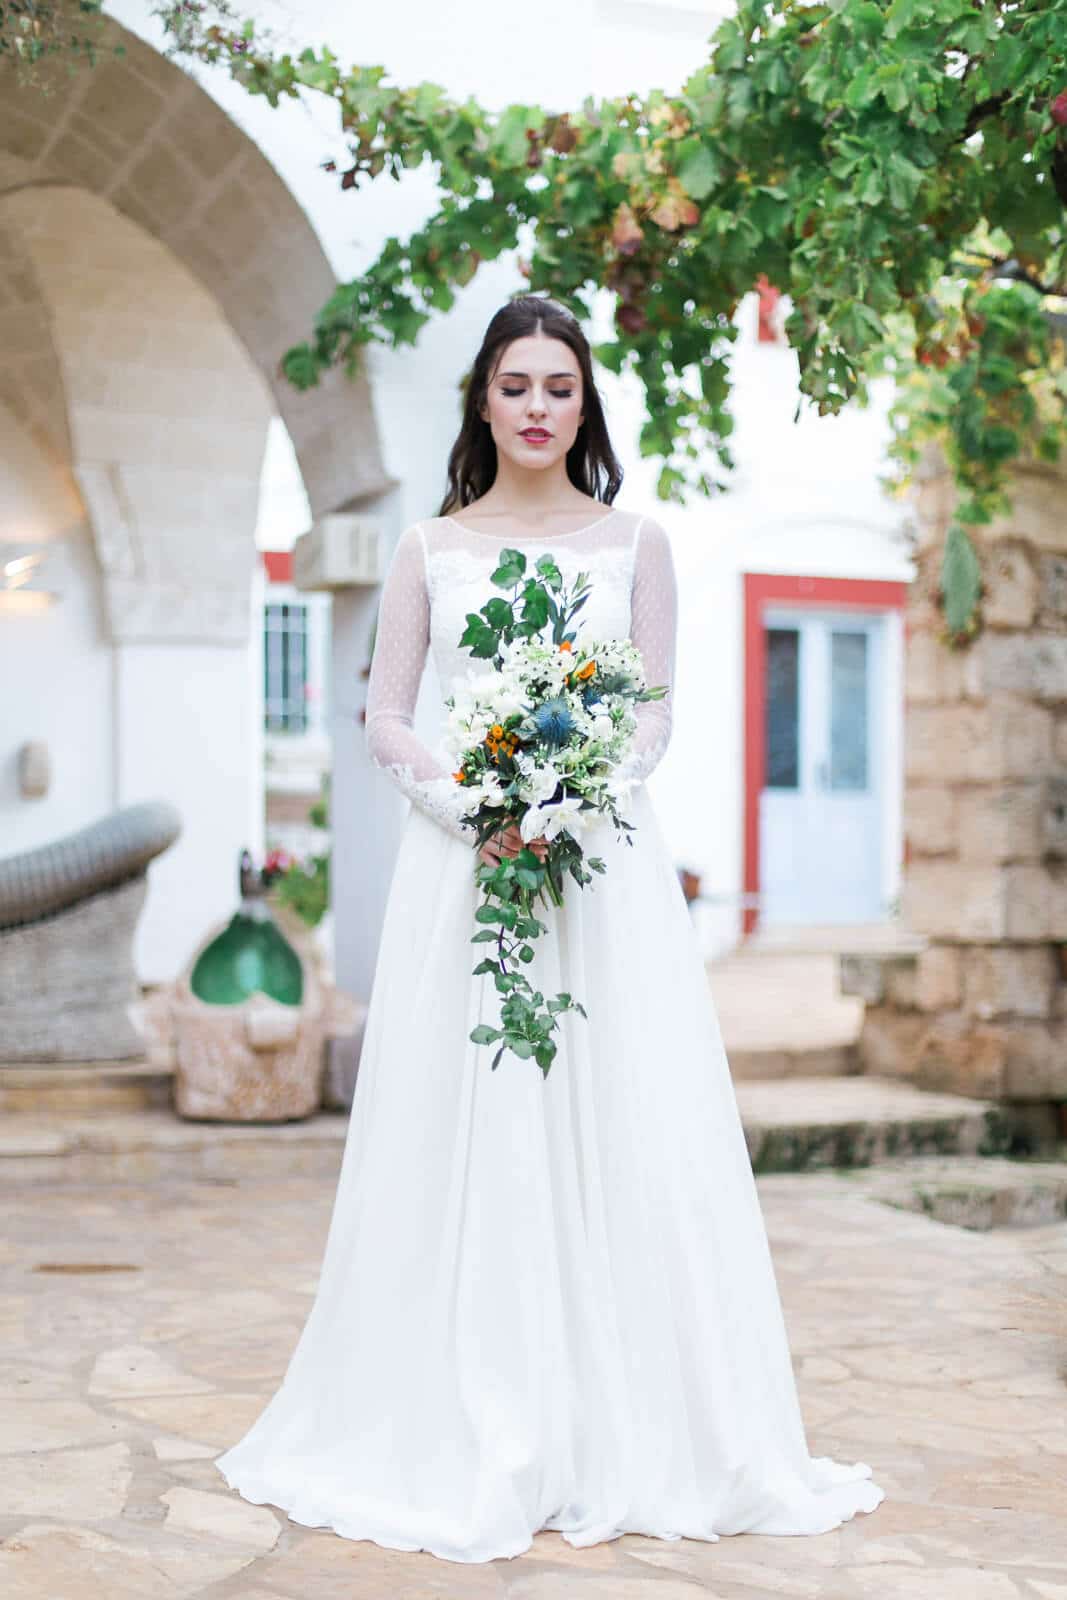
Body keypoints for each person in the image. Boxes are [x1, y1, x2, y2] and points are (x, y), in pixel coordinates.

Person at [215, 294, 885, 1562]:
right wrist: (476, 804)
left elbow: (649, 715)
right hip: (463, 877)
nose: (535, 406)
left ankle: (627, 1420)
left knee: (620, 1119)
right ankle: (465, 1405)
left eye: (557, 388)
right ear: (480, 400)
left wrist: (568, 798)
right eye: (514, 385)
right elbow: (388, 713)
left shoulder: (636, 545)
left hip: (597, 877)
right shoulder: (426, 546)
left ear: (584, 407)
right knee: (467, 1123)